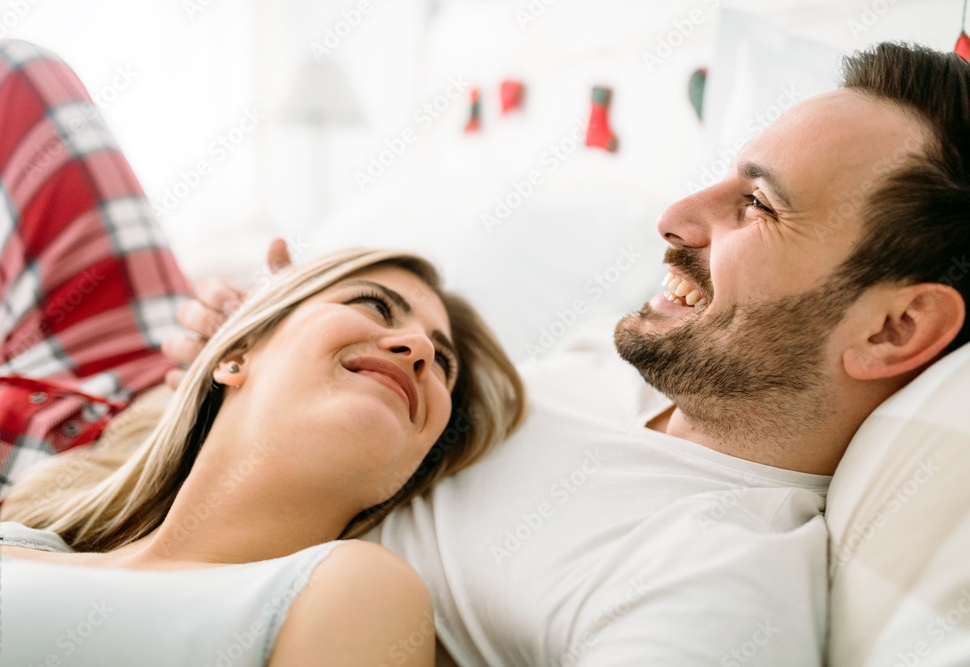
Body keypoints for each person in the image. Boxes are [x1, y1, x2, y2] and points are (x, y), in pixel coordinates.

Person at [166, 42, 970, 665]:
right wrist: (262, 344)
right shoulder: (612, 365)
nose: (675, 216)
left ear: (893, 330)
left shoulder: (716, 582)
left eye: (756, 205)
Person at [0, 40, 525, 666]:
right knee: (13, 70)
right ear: (233, 348)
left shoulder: (356, 587)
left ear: (412, 472)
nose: (420, 346)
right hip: (128, 394)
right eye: (373, 304)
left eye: (442, 364)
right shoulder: (18, 545)